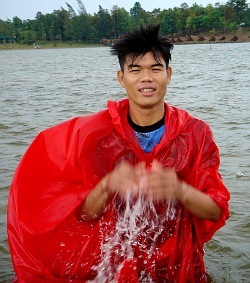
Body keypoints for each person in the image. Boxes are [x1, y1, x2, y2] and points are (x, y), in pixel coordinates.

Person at [8, 24, 230, 283]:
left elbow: (216, 211)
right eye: (135, 70)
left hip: (178, 266)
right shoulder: (94, 136)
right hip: (115, 266)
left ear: (168, 75)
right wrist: (108, 185)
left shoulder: (196, 134)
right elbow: (85, 215)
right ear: (121, 78)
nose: (146, 78)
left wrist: (180, 190)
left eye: (155, 69)